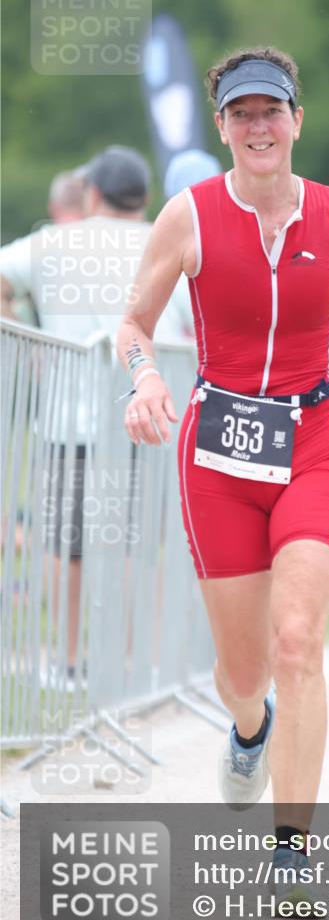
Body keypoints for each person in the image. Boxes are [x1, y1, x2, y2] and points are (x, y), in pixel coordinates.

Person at [116, 47, 329, 910]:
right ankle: (248, 729)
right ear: (223, 128)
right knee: (243, 674)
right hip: (221, 454)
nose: (259, 127)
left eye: (272, 111)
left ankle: (292, 853)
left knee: (297, 640)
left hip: (315, 438)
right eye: (242, 114)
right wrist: (147, 377)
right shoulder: (189, 218)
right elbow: (132, 321)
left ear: (297, 120)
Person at [0, 147, 194, 689]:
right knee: (136, 542)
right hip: (150, 413)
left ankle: (68, 662)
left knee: (67, 545)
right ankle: (138, 663)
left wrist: (22, 331)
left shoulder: (53, 241)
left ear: (91, 195)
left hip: (69, 419)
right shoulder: (167, 237)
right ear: (144, 199)